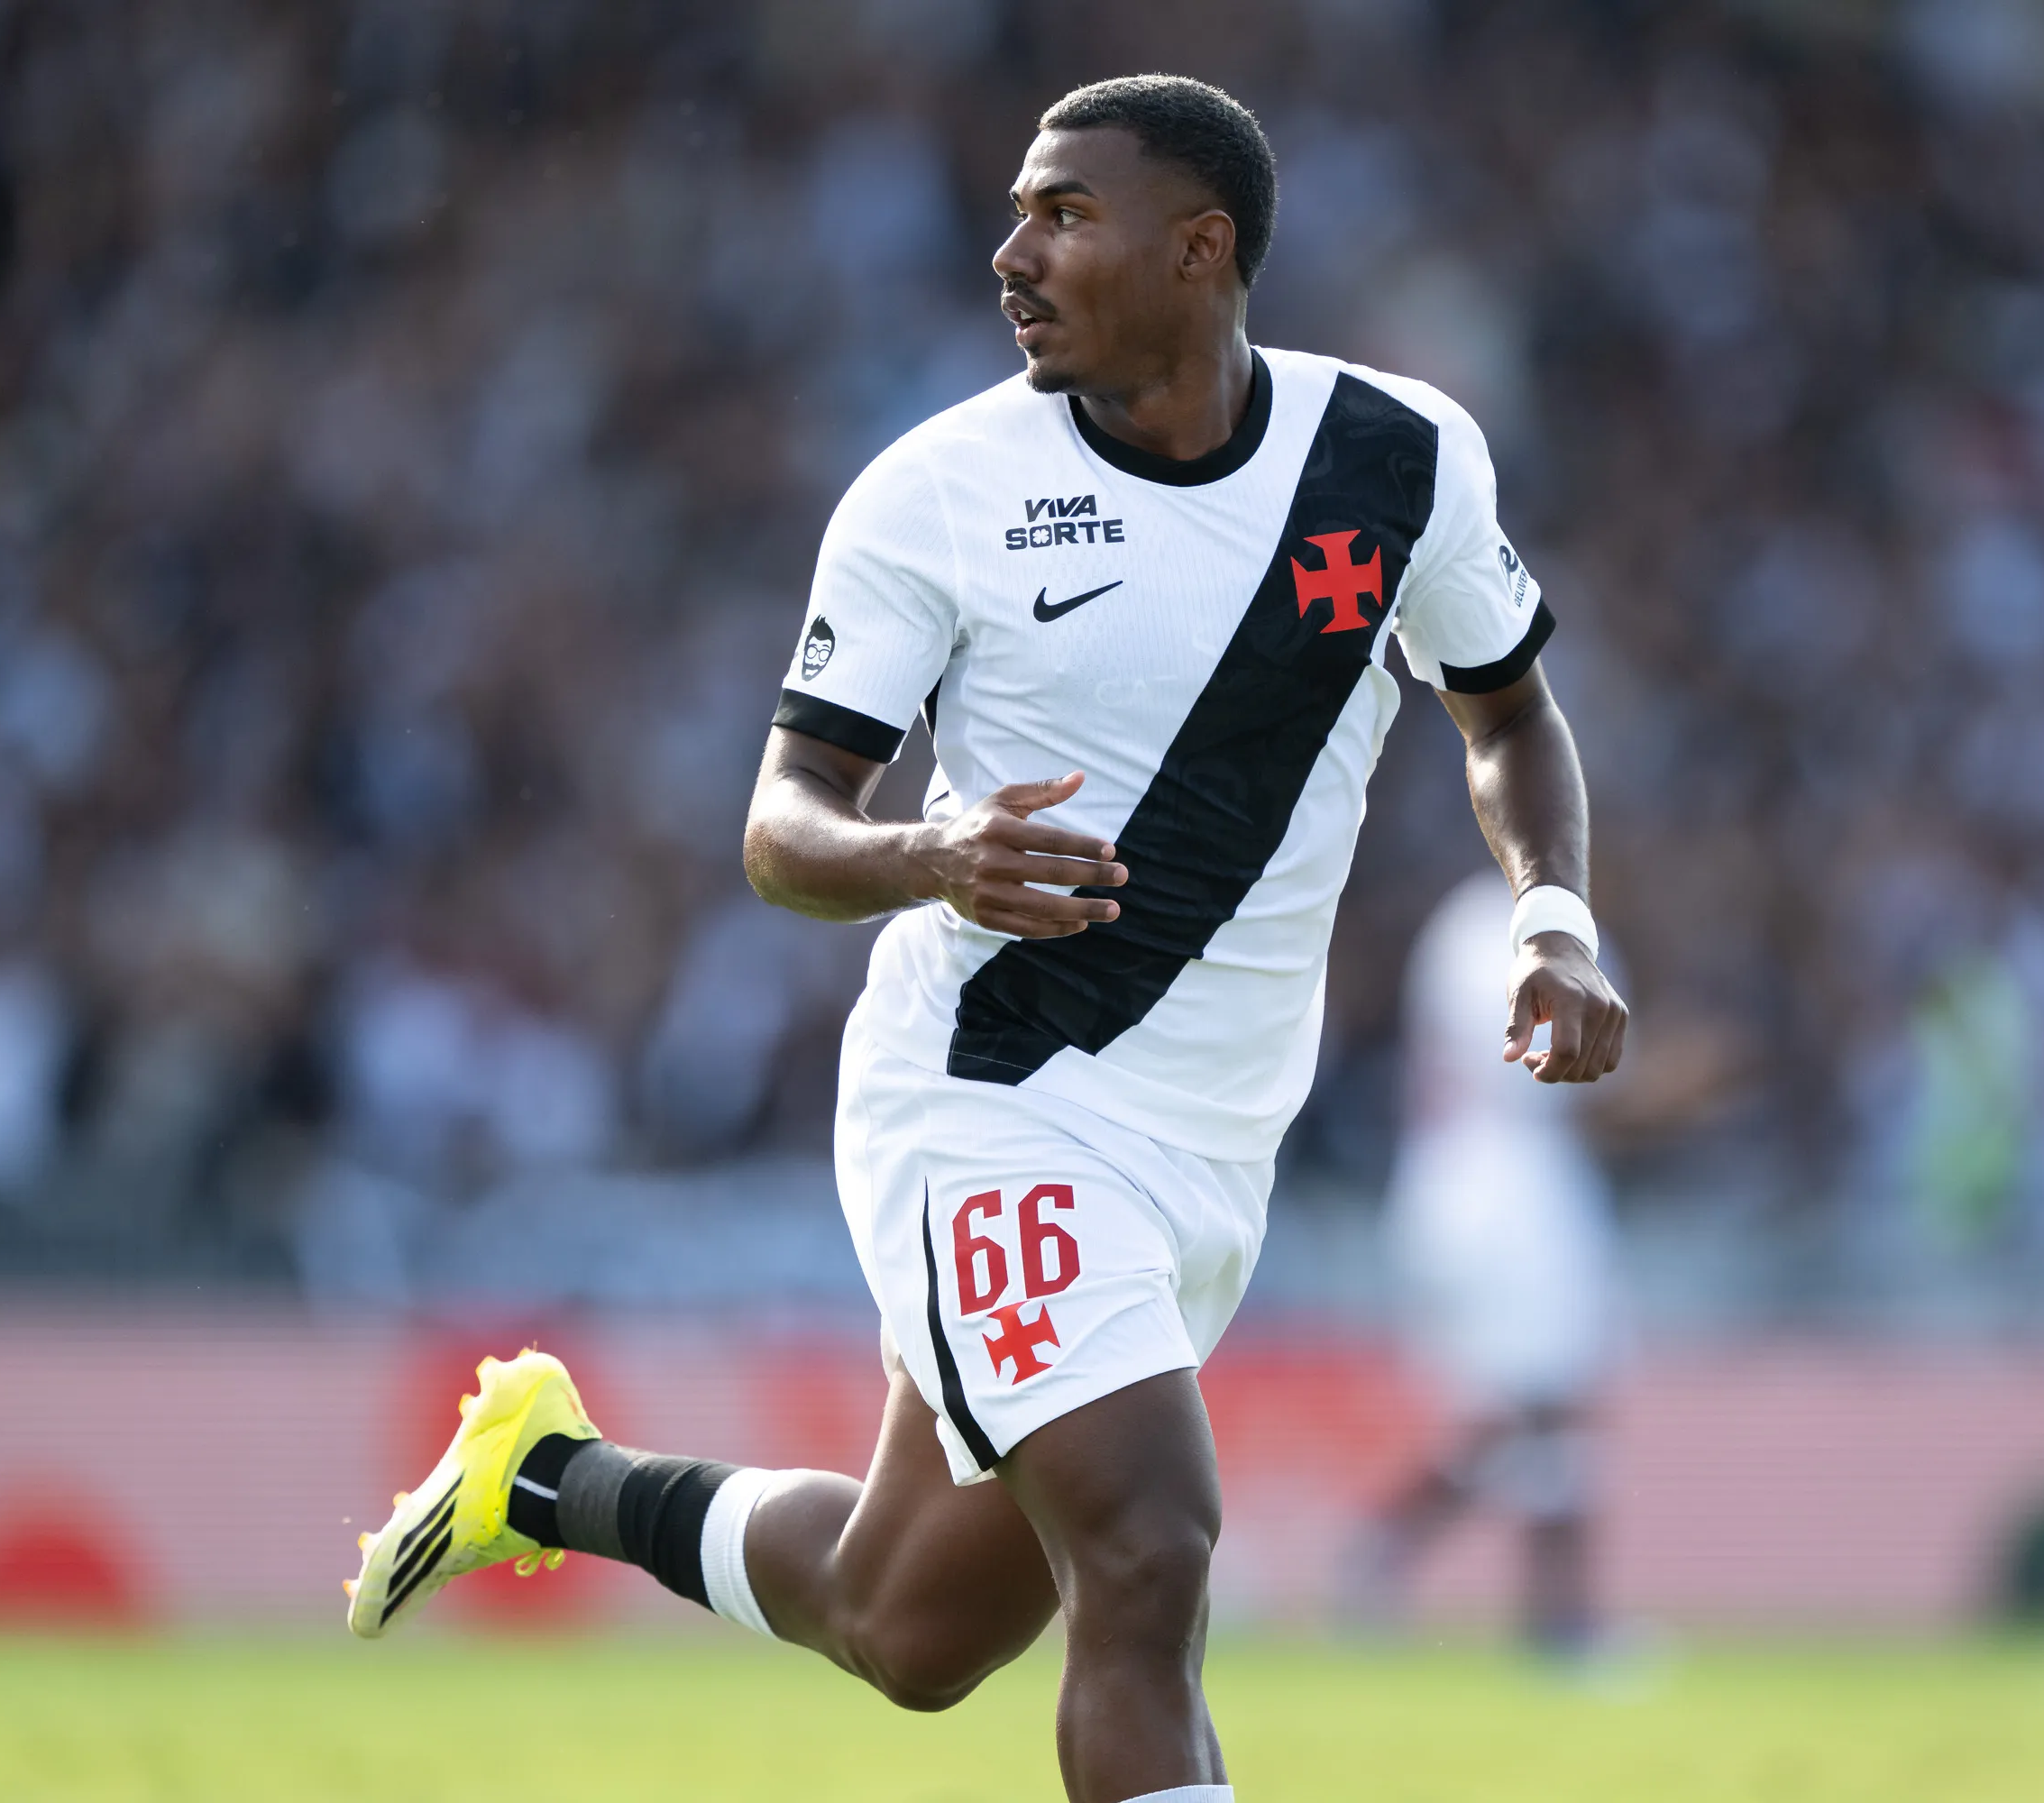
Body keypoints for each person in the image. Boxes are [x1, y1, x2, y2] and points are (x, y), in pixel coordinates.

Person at [346, 74, 1626, 1803]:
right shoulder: (934, 495)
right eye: (1016, 212)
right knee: (1155, 1545)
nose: (1012, 254)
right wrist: (929, 851)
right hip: (994, 1097)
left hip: (1209, 1142)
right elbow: (783, 828)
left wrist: (1556, 916)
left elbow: (1507, 713)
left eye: (1065, 216)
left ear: (1202, 249)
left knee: (915, 1624)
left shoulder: (1398, 459)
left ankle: (544, 1479)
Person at [1350, 871, 1620, 1654]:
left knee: (1514, 1424)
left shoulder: (1467, 924)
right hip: (1500, 1194)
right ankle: (1562, 1625)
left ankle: (1381, 1551)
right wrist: (1669, 1093)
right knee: (1551, 1410)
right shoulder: (1498, 930)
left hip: (1495, 1185)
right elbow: (1547, 1076)